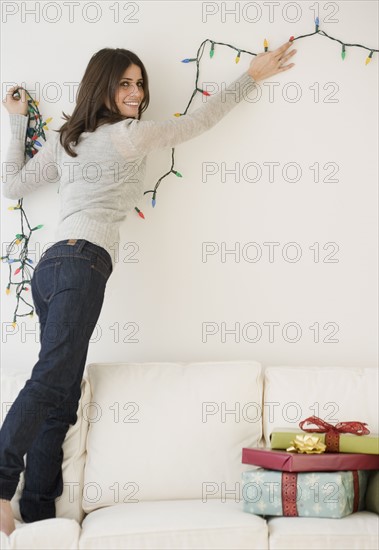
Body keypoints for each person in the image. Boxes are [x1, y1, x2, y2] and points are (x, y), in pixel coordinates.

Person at [0, 41, 296, 535]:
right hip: (82, 263)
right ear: (103, 85)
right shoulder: (127, 135)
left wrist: (15, 121)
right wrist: (252, 77)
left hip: (49, 268)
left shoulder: (68, 139)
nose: (136, 92)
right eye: (125, 83)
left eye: (140, 84)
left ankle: (37, 510)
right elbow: (197, 123)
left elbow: (12, 185)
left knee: (63, 390)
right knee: (53, 380)